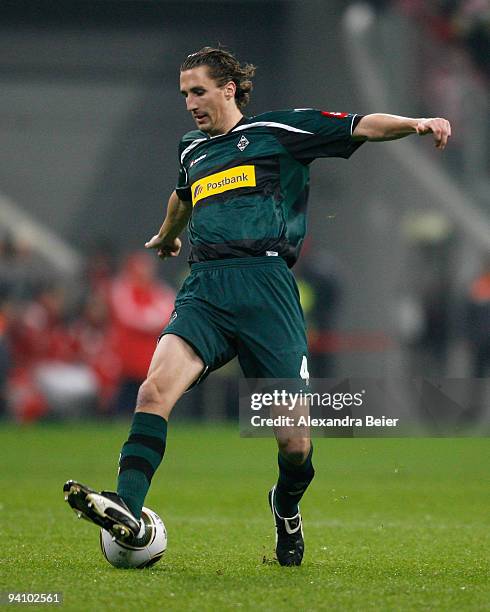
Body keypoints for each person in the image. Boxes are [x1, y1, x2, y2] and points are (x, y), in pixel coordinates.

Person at [63, 46, 451, 567]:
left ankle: (285, 507)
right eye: (184, 94)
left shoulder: (279, 133)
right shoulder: (192, 149)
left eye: (198, 91)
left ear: (229, 89)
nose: (190, 103)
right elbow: (183, 195)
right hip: (207, 287)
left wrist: (419, 122)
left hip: (267, 289)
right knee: (154, 389)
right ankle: (128, 508)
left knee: (295, 444)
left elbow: (361, 125)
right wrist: (168, 236)